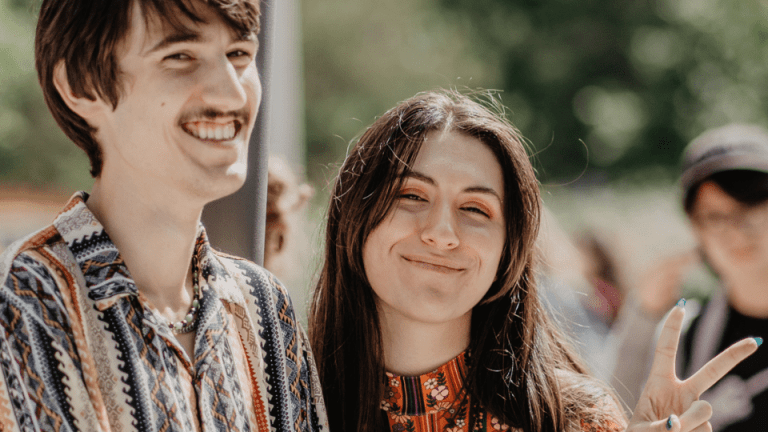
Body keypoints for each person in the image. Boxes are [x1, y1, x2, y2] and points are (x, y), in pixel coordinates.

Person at [308, 90, 759, 432]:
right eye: (411, 195)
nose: (442, 233)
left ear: (511, 250)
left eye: (475, 209)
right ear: (354, 217)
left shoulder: (574, 420)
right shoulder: (280, 403)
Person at [0, 0, 327, 430]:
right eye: (180, 57)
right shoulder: (22, 306)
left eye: (239, 55)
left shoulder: (265, 307)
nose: (231, 93)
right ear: (79, 86)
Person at [610, 124, 768, 431]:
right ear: (695, 229)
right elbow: (616, 417)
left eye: (752, 204)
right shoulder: (684, 338)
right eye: (716, 217)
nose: (736, 230)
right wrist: (644, 315)